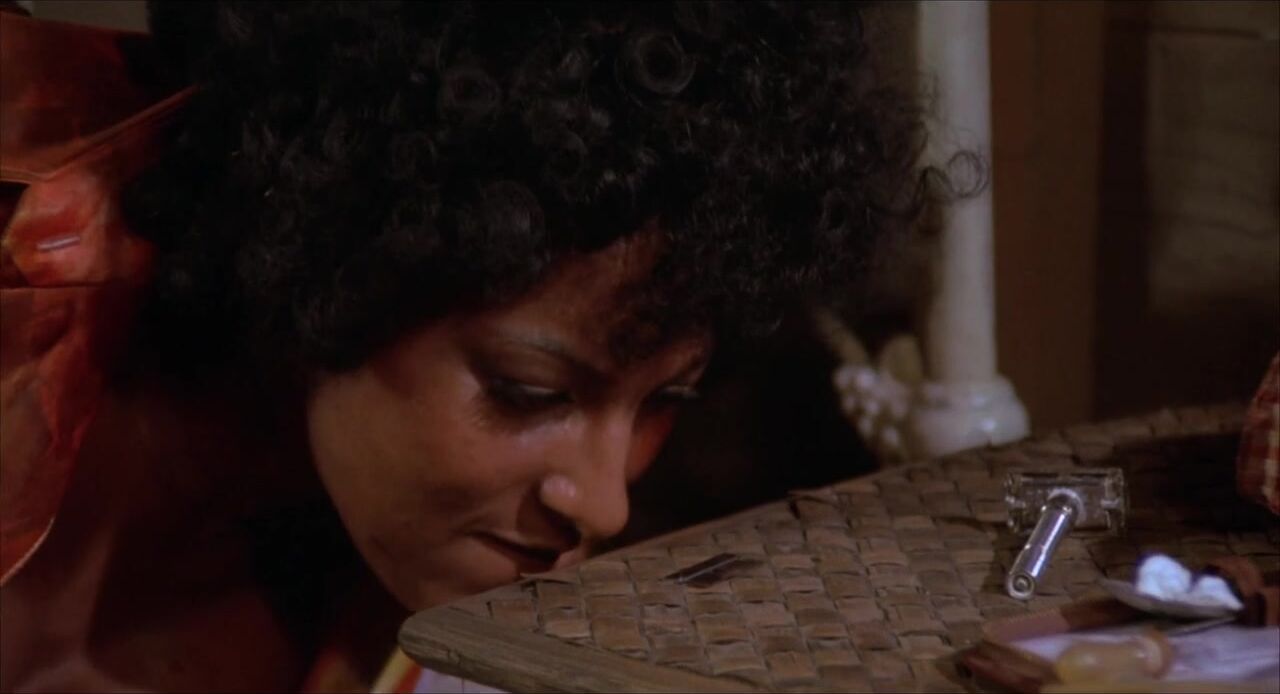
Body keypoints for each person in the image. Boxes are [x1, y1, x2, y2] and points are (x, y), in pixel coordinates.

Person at [0, 1, 954, 691]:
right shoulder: (31, 277)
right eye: (530, 391)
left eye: (666, 398)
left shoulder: (402, 585)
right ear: (324, 253)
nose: (606, 503)